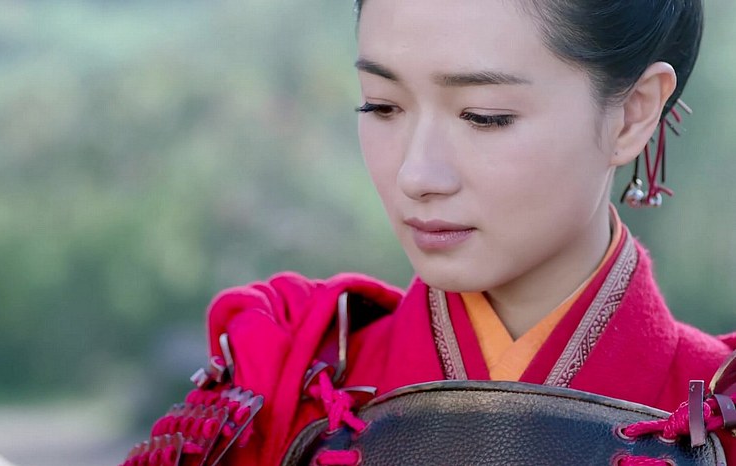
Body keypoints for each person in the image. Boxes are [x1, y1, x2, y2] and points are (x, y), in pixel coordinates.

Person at [120, 1, 736, 465]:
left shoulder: (721, 419)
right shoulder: (285, 399)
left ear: (633, 112)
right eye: (381, 105)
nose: (416, 175)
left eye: (484, 116)